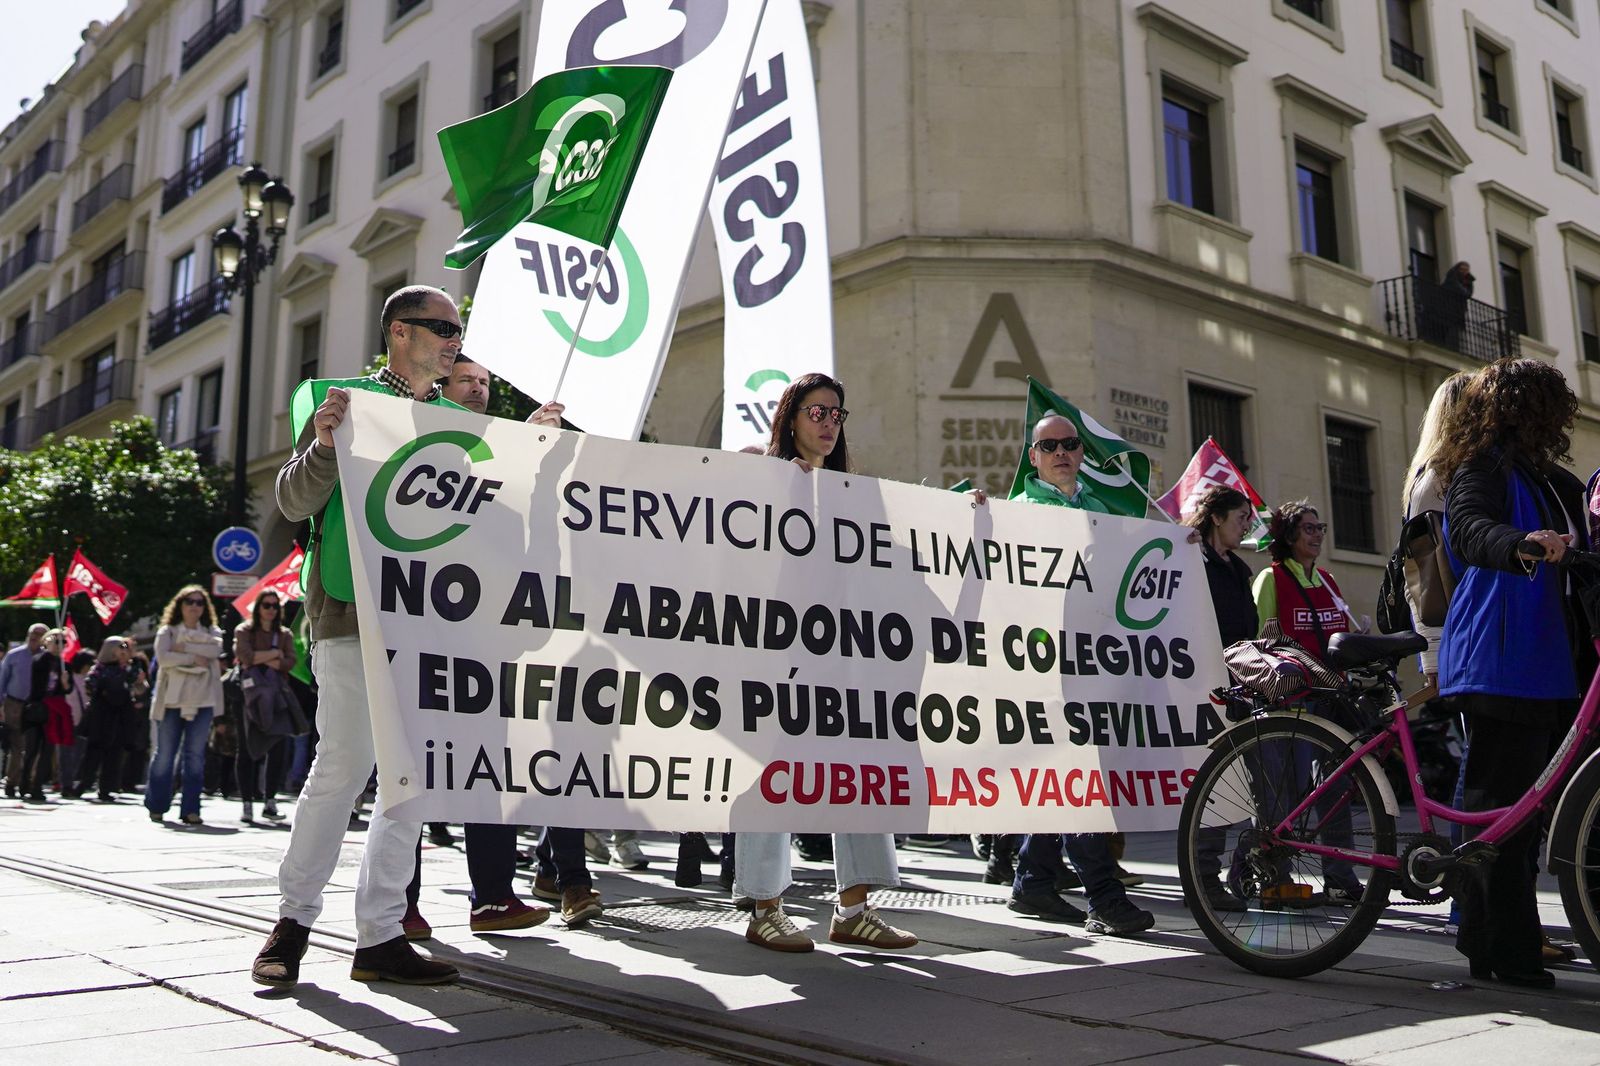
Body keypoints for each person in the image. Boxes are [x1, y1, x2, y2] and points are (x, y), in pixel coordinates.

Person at [255, 284, 560, 989]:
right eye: (442, 328)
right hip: (351, 614)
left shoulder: (466, 424)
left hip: (435, 623)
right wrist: (328, 443)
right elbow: (296, 500)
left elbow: (501, 519)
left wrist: (531, 452)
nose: (455, 339)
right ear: (400, 332)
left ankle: (382, 935)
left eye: (459, 330)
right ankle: (292, 921)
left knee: (412, 784)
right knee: (342, 768)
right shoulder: (348, 404)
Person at [737, 373, 919, 954]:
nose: (828, 423)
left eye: (837, 414)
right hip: (773, 653)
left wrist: (966, 519)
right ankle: (766, 907)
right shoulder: (760, 475)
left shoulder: (851, 494)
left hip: (842, 655)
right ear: (790, 417)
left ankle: (854, 909)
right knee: (771, 774)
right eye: (817, 412)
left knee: (858, 769)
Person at [1435, 359, 1590, 989]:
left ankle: (1490, 936)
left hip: (1549, 665)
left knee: (1525, 817)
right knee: (1502, 813)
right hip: (1502, 659)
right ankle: (1503, 946)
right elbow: (1469, 530)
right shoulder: (1482, 467)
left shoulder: (1559, 482)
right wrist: (1521, 541)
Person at [979, 415, 1154, 936]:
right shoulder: (1021, 512)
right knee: (1081, 778)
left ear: (1082, 454)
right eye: (1048, 445)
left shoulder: (1099, 510)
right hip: (1043, 667)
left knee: (1069, 777)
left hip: (1093, 664)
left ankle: (1033, 882)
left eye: (1069, 444)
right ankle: (1104, 895)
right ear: (1032, 458)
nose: (1060, 452)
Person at [1250, 501, 1365, 906]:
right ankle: (1271, 876)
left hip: (1331, 702)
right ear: (1289, 536)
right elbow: (1262, 643)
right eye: (1309, 528)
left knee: (1334, 789)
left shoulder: (1330, 581)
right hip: (1291, 704)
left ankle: (1340, 875)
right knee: (1283, 797)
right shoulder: (1271, 578)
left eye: (1321, 528)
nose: (1317, 535)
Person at [1183, 485, 1256, 913]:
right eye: (1241, 516)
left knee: (1232, 789)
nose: (1247, 525)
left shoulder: (1240, 571)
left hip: (1238, 691)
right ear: (1216, 517)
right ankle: (1203, 879)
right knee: (1209, 788)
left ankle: (1223, 874)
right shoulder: (1192, 560)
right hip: (1201, 691)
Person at [147, 587, 223, 826]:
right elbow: (164, 658)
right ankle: (157, 806)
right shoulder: (167, 631)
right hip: (171, 700)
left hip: (203, 700)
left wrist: (183, 648)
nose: (194, 606)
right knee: (165, 755)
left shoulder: (212, 631)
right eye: (189, 601)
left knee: (195, 757)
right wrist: (193, 657)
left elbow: (216, 649)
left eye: (200, 602)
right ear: (180, 605)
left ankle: (191, 810)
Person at [234, 591, 300, 824]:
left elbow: (291, 661)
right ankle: (247, 803)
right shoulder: (244, 631)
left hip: (277, 698)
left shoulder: (284, 634)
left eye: (274, 605)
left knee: (278, 749)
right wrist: (273, 654)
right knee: (247, 748)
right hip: (248, 697)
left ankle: (270, 801)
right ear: (258, 608)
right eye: (266, 605)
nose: (271, 609)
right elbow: (244, 656)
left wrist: (264, 658)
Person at [77, 637, 140, 803]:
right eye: (121, 647)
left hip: (119, 717)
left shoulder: (127, 669)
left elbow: (135, 680)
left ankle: (106, 788)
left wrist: (132, 662)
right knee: (94, 751)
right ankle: (84, 783)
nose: (123, 650)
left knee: (114, 754)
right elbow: (91, 684)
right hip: (101, 715)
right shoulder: (99, 668)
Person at [18, 629, 68, 804]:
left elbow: (65, 691)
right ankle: (24, 784)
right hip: (36, 711)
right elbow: (37, 681)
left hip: (53, 713)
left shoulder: (63, 664)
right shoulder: (40, 659)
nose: (60, 645)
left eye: (64, 642)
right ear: (47, 641)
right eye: (56, 641)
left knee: (48, 751)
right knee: (31, 750)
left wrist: (65, 682)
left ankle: (37, 786)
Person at [1, 624, 47, 798]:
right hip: (14, 704)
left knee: (33, 746)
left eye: (40, 634)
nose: (35, 637)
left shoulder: (46, 658)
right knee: (16, 745)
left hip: (36, 707)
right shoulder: (15, 655)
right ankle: (11, 782)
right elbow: (2, 680)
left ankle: (28, 782)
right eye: (33, 633)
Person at [56, 649, 94, 798]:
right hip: (68, 720)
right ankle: (66, 785)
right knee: (65, 755)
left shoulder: (89, 679)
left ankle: (74, 783)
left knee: (78, 755)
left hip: (82, 722)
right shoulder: (69, 678)